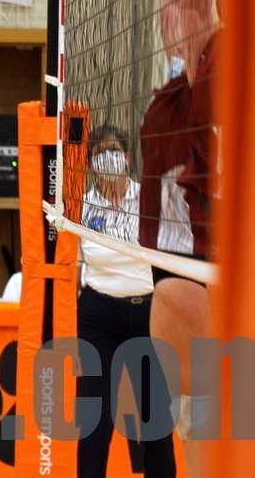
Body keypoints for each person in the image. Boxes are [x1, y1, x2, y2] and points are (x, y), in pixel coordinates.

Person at [139, 0, 219, 473]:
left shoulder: (208, 76)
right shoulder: (181, 90)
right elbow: (180, 4)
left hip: (199, 256)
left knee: (208, 409)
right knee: (195, 410)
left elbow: (186, 6)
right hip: (180, 257)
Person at [76, 125, 176, 478]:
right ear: (91, 164)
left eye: (114, 150)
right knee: (95, 416)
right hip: (98, 314)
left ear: (128, 157)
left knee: (154, 414)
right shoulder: (81, 206)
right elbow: (74, 267)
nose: (108, 157)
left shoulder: (151, 199)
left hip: (146, 312)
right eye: (100, 152)